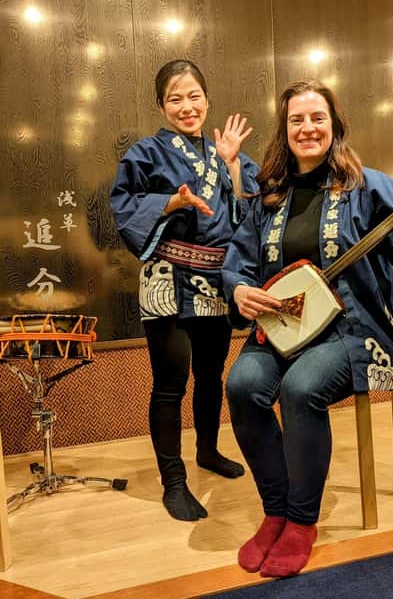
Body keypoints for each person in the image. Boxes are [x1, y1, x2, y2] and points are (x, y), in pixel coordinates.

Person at [221, 80, 393, 577]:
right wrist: (239, 289)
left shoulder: (367, 187)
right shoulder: (269, 196)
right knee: (242, 385)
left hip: (354, 331)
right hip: (283, 329)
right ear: (285, 130)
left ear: (335, 125)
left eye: (317, 118)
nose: (308, 128)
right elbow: (238, 261)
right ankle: (275, 511)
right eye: (297, 120)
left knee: (302, 388)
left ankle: (301, 522)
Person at [110, 59, 261, 521]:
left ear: (207, 101)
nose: (186, 106)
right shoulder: (146, 153)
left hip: (215, 280)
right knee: (171, 382)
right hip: (168, 278)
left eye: (194, 96)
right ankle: (173, 482)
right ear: (161, 106)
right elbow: (123, 203)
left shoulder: (226, 152)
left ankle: (208, 451)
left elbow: (251, 209)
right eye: (175, 98)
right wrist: (169, 202)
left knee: (211, 375)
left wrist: (232, 165)